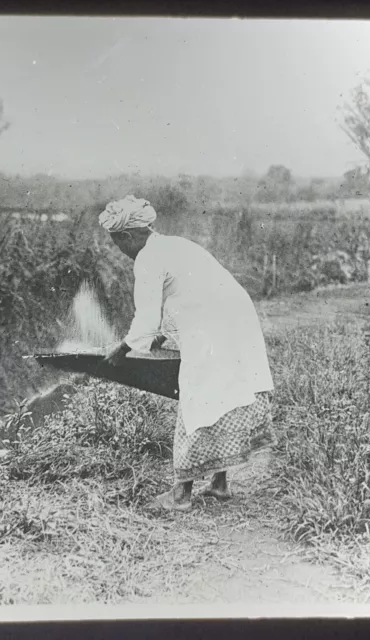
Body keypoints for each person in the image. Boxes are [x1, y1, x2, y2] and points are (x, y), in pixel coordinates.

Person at [99, 195, 274, 512]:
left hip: (216, 325)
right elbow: (186, 294)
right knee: (222, 393)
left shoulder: (148, 259)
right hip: (235, 316)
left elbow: (147, 317)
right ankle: (219, 484)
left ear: (127, 236)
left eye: (117, 243)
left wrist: (122, 349)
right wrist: (160, 335)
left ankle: (181, 496)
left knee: (198, 397)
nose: (120, 251)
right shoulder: (173, 245)